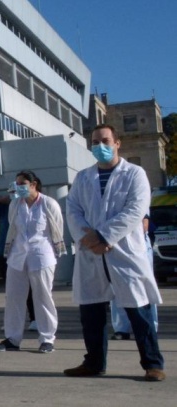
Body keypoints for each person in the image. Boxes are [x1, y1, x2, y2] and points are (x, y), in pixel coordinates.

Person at [64, 124, 165, 382]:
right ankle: (94, 362)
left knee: (138, 310)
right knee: (91, 312)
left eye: (105, 141)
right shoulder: (83, 177)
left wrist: (103, 236)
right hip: (91, 253)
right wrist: (88, 238)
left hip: (124, 251)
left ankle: (153, 364)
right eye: (95, 142)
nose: (101, 146)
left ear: (117, 143)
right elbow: (73, 210)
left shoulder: (135, 173)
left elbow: (136, 210)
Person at [0, 171, 64, 354]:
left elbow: (57, 229)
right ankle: (13, 338)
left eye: (22, 183)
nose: (19, 187)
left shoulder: (49, 203)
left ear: (33, 184)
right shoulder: (15, 204)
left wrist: (56, 253)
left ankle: (47, 339)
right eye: (17, 183)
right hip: (17, 256)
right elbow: (13, 228)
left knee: (42, 296)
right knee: (14, 297)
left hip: (42, 254)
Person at [0, 184, 37, 330]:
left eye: (16, 192)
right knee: (11, 291)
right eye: (11, 192)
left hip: (23, 253)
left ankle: (35, 319)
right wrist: (4, 198)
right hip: (6, 253)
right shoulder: (5, 209)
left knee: (31, 289)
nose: (14, 194)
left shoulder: (30, 207)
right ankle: (13, 322)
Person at [110, 215, 158, 340]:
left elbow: (144, 224)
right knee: (116, 286)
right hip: (114, 243)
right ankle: (121, 328)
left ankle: (150, 327)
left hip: (137, 245)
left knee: (144, 287)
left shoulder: (138, 196)